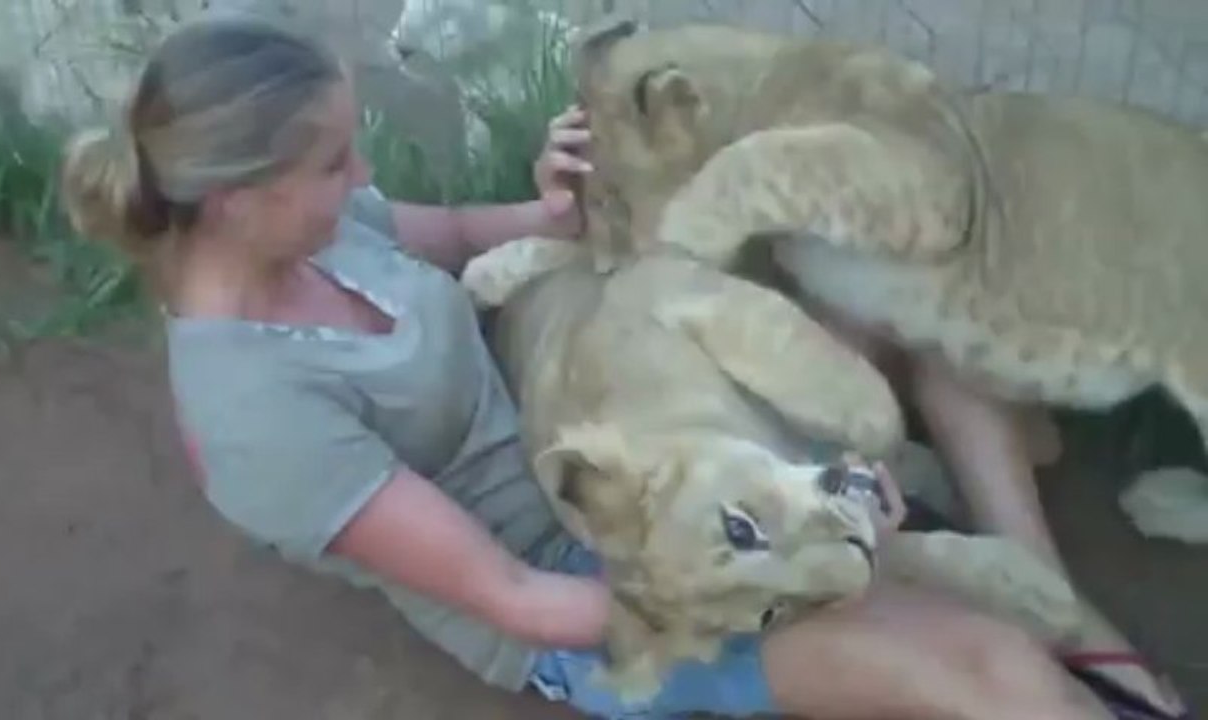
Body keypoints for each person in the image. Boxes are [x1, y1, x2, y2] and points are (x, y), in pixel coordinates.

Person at [58, 17, 1166, 720]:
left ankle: (1070, 620)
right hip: (614, 581)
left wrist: (544, 207)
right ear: (239, 199)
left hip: (599, 408)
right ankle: (1072, 660)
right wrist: (798, 545)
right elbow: (523, 601)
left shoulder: (312, 228)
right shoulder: (258, 424)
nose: (360, 173)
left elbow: (445, 235)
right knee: (978, 670)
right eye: (333, 160)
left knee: (888, 293)